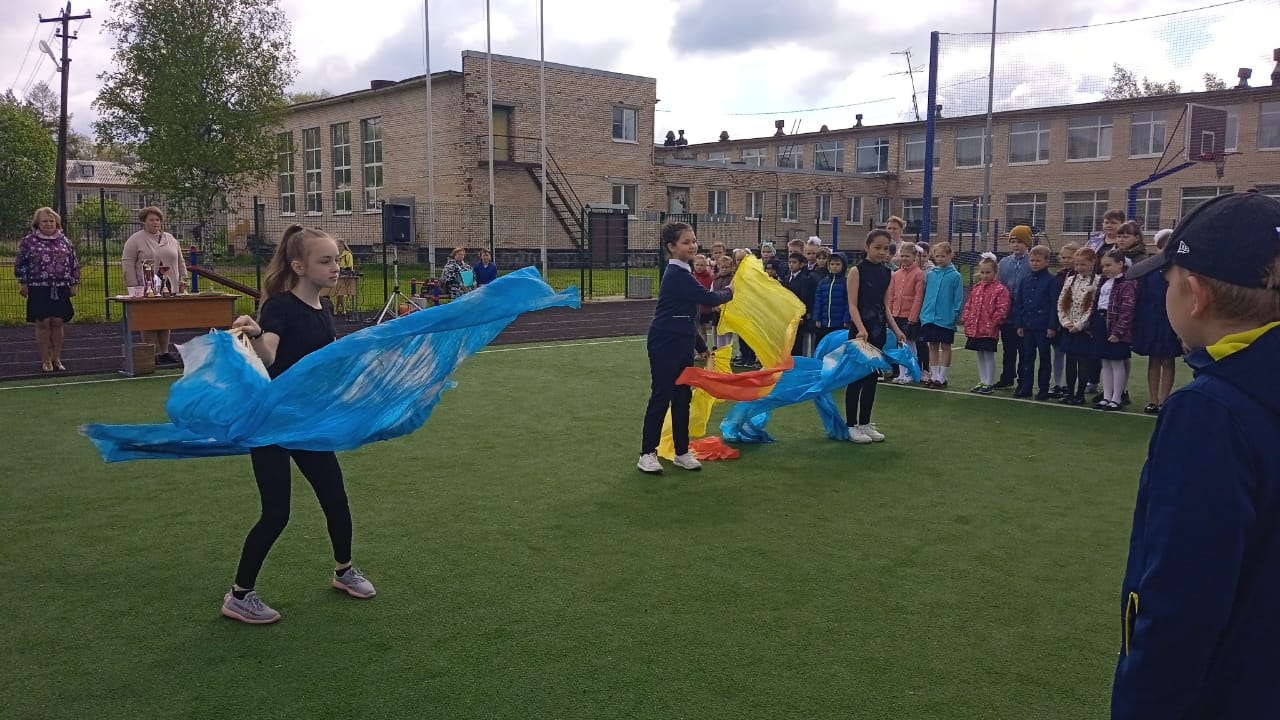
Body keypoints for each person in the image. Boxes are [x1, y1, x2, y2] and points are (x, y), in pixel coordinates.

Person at [1111, 190, 1280, 718]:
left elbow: (1183, 598)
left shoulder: (1209, 411)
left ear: (1196, 295)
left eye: (1168, 282)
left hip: (1228, 690)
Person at [224, 225, 376, 624]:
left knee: (335, 498)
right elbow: (269, 357)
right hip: (272, 424)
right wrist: (257, 334)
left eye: (336, 259)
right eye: (325, 261)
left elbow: (324, 363)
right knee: (276, 513)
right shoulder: (279, 307)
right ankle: (239, 595)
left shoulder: (324, 308)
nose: (335, 267)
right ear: (299, 266)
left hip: (308, 423)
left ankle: (344, 571)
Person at [638, 222, 733, 474]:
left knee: (682, 397)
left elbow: (689, 316)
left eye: (694, 241)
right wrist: (733, 289)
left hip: (682, 343)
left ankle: (681, 452)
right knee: (661, 396)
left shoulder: (685, 273)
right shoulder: (676, 275)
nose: (692, 246)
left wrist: (701, 345)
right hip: (664, 342)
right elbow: (709, 298)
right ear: (671, 247)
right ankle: (647, 453)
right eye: (686, 242)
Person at [845, 230, 907, 443]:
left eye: (886, 248)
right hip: (860, 333)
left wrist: (896, 330)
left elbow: (885, 306)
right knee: (856, 379)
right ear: (867, 247)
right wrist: (861, 328)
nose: (882, 252)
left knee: (872, 379)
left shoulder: (887, 273)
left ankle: (865, 423)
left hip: (878, 331)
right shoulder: (856, 271)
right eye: (877, 247)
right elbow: (853, 305)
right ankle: (851, 425)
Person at [14, 207, 80, 373]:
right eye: (45, 221)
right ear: (38, 223)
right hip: (38, 287)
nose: (49, 224)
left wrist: (74, 283)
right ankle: (46, 360)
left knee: (57, 321)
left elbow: (74, 263)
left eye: (51, 221)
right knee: (43, 322)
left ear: (56, 223)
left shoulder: (65, 241)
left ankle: (56, 358)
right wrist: (23, 283)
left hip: (61, 286)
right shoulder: (28, 241)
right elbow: (21, 263)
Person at [123, 206, 189, 364]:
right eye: (151, 220)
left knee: (165, 320)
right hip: (146, 287)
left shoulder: (171, 239)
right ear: (144, 222)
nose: (155, 223)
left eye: (157, 220)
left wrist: (183, 280)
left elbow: (180, 261)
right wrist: (133, 286)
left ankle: (164, 352)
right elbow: (127, 262)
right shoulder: (135, 240)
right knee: (149, 321)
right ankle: (149, 352)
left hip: (169, 287)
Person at [1131, 229, 1181, 414]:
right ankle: (1153, 399)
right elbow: (1142, 296)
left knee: (1168, 359)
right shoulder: (1150, 269)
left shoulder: (1179, 270)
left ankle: (1164, 400)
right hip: (1152, 318)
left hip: (1171, 319)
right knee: (1154, 359)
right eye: (1162, 247)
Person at [1090, 249, 1137, 411]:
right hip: (1101, 322)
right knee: (1105, 362)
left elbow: (1127, 310)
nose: (1105, 269)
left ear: (1120, 264)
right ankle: (1106, 396)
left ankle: (1117, 398)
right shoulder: (1104, 281)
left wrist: (1118, 331)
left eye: (1109, 265)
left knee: (1117, 363)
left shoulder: (1127, 284)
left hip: (1115, 326)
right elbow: (1096, 303)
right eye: (1103, 266)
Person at [961, 254, 1011, 394]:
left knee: (988, 355)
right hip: (976, 329)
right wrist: (967, 319)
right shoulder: (976, 288)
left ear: (995, 272)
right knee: (980, 354)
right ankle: (982, 380)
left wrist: (994, 321)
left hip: (989, 330)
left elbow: (1002, 308)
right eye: (982, 272)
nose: (984, 275)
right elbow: (969, 305)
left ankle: (989, 382)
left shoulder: (1000, 289)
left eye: (988, 272)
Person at [918, 242, 964, 389]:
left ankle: (942, 378)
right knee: (932, 346)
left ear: (950, 255)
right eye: (937, 256)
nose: (939, 259)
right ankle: (934, 376)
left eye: (943, 256)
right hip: (929, 317)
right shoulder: (931, 274)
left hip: (945, 318)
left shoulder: (955, 276)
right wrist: (924, 313)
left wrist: (954, 314)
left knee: (945, 346)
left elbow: (958, 298)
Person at [1014, 245, 1057, 400]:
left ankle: (1043, 388)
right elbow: (1019, 302)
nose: (1034, 263)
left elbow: (1054, 304)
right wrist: (1019, 324)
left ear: (1047, 261)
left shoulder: (1051, 280)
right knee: (1027, 357)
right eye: (1032, 260)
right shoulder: (1025, 279)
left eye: (1038, 261)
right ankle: (1026, 386)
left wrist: (1052, 326)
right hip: (1027, 325)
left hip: (1043, 326)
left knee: (1044, 358)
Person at [1056, 248, 1099, 406]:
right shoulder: (1070, 280)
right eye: (1077, 264)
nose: (1079, 267)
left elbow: (1092, 307)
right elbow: (1061, 303)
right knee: (1070, 361)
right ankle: (1069, 392)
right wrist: (1065, 322)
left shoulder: (1097, 282)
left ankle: (1080, 394)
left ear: (1093, 263)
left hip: (1084, 330)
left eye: (1083, 264)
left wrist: (1080, 325)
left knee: (1083, 361)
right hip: (1069, 328)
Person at [995, 225, 1033, 388]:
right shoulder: (1004, 263)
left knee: (1024, 349)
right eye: (1013, 241)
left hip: (1024, 314)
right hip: (1007, 313)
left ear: (1027, 243)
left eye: (1020, 242)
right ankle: (1007, 376)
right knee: (1008, 348)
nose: (1016, 245)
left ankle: (1023, 380)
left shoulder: (1032, 262)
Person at [887, 242, 925, 384]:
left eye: (907, 256)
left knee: (910, 345)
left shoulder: (919, 274)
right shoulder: (896, 274)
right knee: (900, 345)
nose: (904, 259)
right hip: (896, 315)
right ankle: (902, 373)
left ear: (914, 256)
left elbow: (918, 296)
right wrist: (890, 313)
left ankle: (911, 372)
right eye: (902, 256)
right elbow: (891, 295)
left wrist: (913, 316)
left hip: (909, 316)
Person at [1048, 244, 1080, 399]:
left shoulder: (1080, 276)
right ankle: (1058, 383)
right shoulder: (1059, 276)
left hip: (1073, 322)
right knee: (1058, 353)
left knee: (1072, 355)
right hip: (1058, 321)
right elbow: (1054, 301)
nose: (1066, 260)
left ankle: (1069, 384)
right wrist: (1053, 323)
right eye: (1063, 257)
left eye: (1070, 257)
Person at [781, 251, 816, 356]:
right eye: (790, 262)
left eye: (794, 262)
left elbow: (805, 298)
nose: (791, 264)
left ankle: (797, 361)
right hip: (787, 314)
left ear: (801, 264)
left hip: (799, 316)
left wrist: (802, 315)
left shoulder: (805, 279)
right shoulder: (786, 279)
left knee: (798, 342)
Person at [813, 252, 851, 344]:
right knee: (822, 344)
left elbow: (848, 302)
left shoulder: (846, 283)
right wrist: (817, 318)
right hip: (824, 323)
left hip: (839, 323)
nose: (834, 267)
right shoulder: (823, 282)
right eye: (832, 264)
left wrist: (846, 319)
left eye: (837, 264)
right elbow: (818, 302)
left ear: (843, 266)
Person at [330, 239, 357, 315]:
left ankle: (337, 309)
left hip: (345, 277)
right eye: (337, 246)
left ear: (344, 246)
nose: (339, 247)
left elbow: (350, 266)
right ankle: (342, 310)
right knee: (339, 294)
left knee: (340, 294)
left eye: (340, 246)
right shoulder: (335, 255)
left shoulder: (348, 255)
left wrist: (343, 269)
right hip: (336, 276)